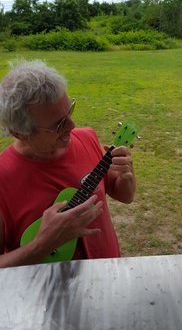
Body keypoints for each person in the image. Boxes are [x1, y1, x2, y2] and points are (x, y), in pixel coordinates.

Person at [0, 60, 136, 268]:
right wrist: (42, 245)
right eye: (59, 124)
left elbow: (124, 196)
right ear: (19, 132)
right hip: (45, 293)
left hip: (107, 271)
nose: (72, 126)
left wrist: (127, 176)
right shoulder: (3, 180)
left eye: (69, 111)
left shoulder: (87, 138)